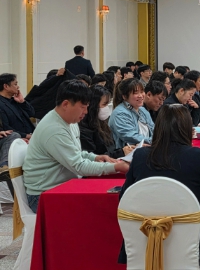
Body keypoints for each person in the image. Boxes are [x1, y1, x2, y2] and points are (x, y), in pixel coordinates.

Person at [118, 104, 200, 270]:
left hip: (147, 240)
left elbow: (124, 199)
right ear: (187, 129)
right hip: (190, 245)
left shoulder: (140, 156)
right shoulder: (199, 157)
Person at [23, 80, 129, 212]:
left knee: (108, 199)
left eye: (87, 107)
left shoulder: (69, 121)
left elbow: (76, 152)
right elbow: (79, 166)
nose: (86, 112)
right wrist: (116, 167)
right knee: (100, 208)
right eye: (83, 107)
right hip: (43, 195)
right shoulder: (54, 129)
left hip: (61, 185)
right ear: (66, 104)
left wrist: (95, 157)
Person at [79, 85, 136, 159]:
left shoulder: (103, 123)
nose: (107, 108)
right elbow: (93, 158)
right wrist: (121, 152)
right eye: (104, 104)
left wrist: (125, 150)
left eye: (108, 104)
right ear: (93, 105)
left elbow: (111, 148)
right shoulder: (84, 130)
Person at [109, 79, 154, 148]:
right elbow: (131, 137)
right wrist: (154, 141)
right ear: (124, 96)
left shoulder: (143, 110)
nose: (140, 95)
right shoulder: (119, 114)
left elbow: (154, 129)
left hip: (148, 148)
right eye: (136, 93)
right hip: (129, 152)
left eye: (142, 91)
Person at [0, 73, 35, 139]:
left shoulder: (16, 100)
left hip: (30, 135)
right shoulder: (1, 104)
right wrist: (26, 136)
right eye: (15, 84)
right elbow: (6, 127)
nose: (18, 87)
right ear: (6, 86)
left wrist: (22, 102)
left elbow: (32, 113)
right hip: (17, 139)